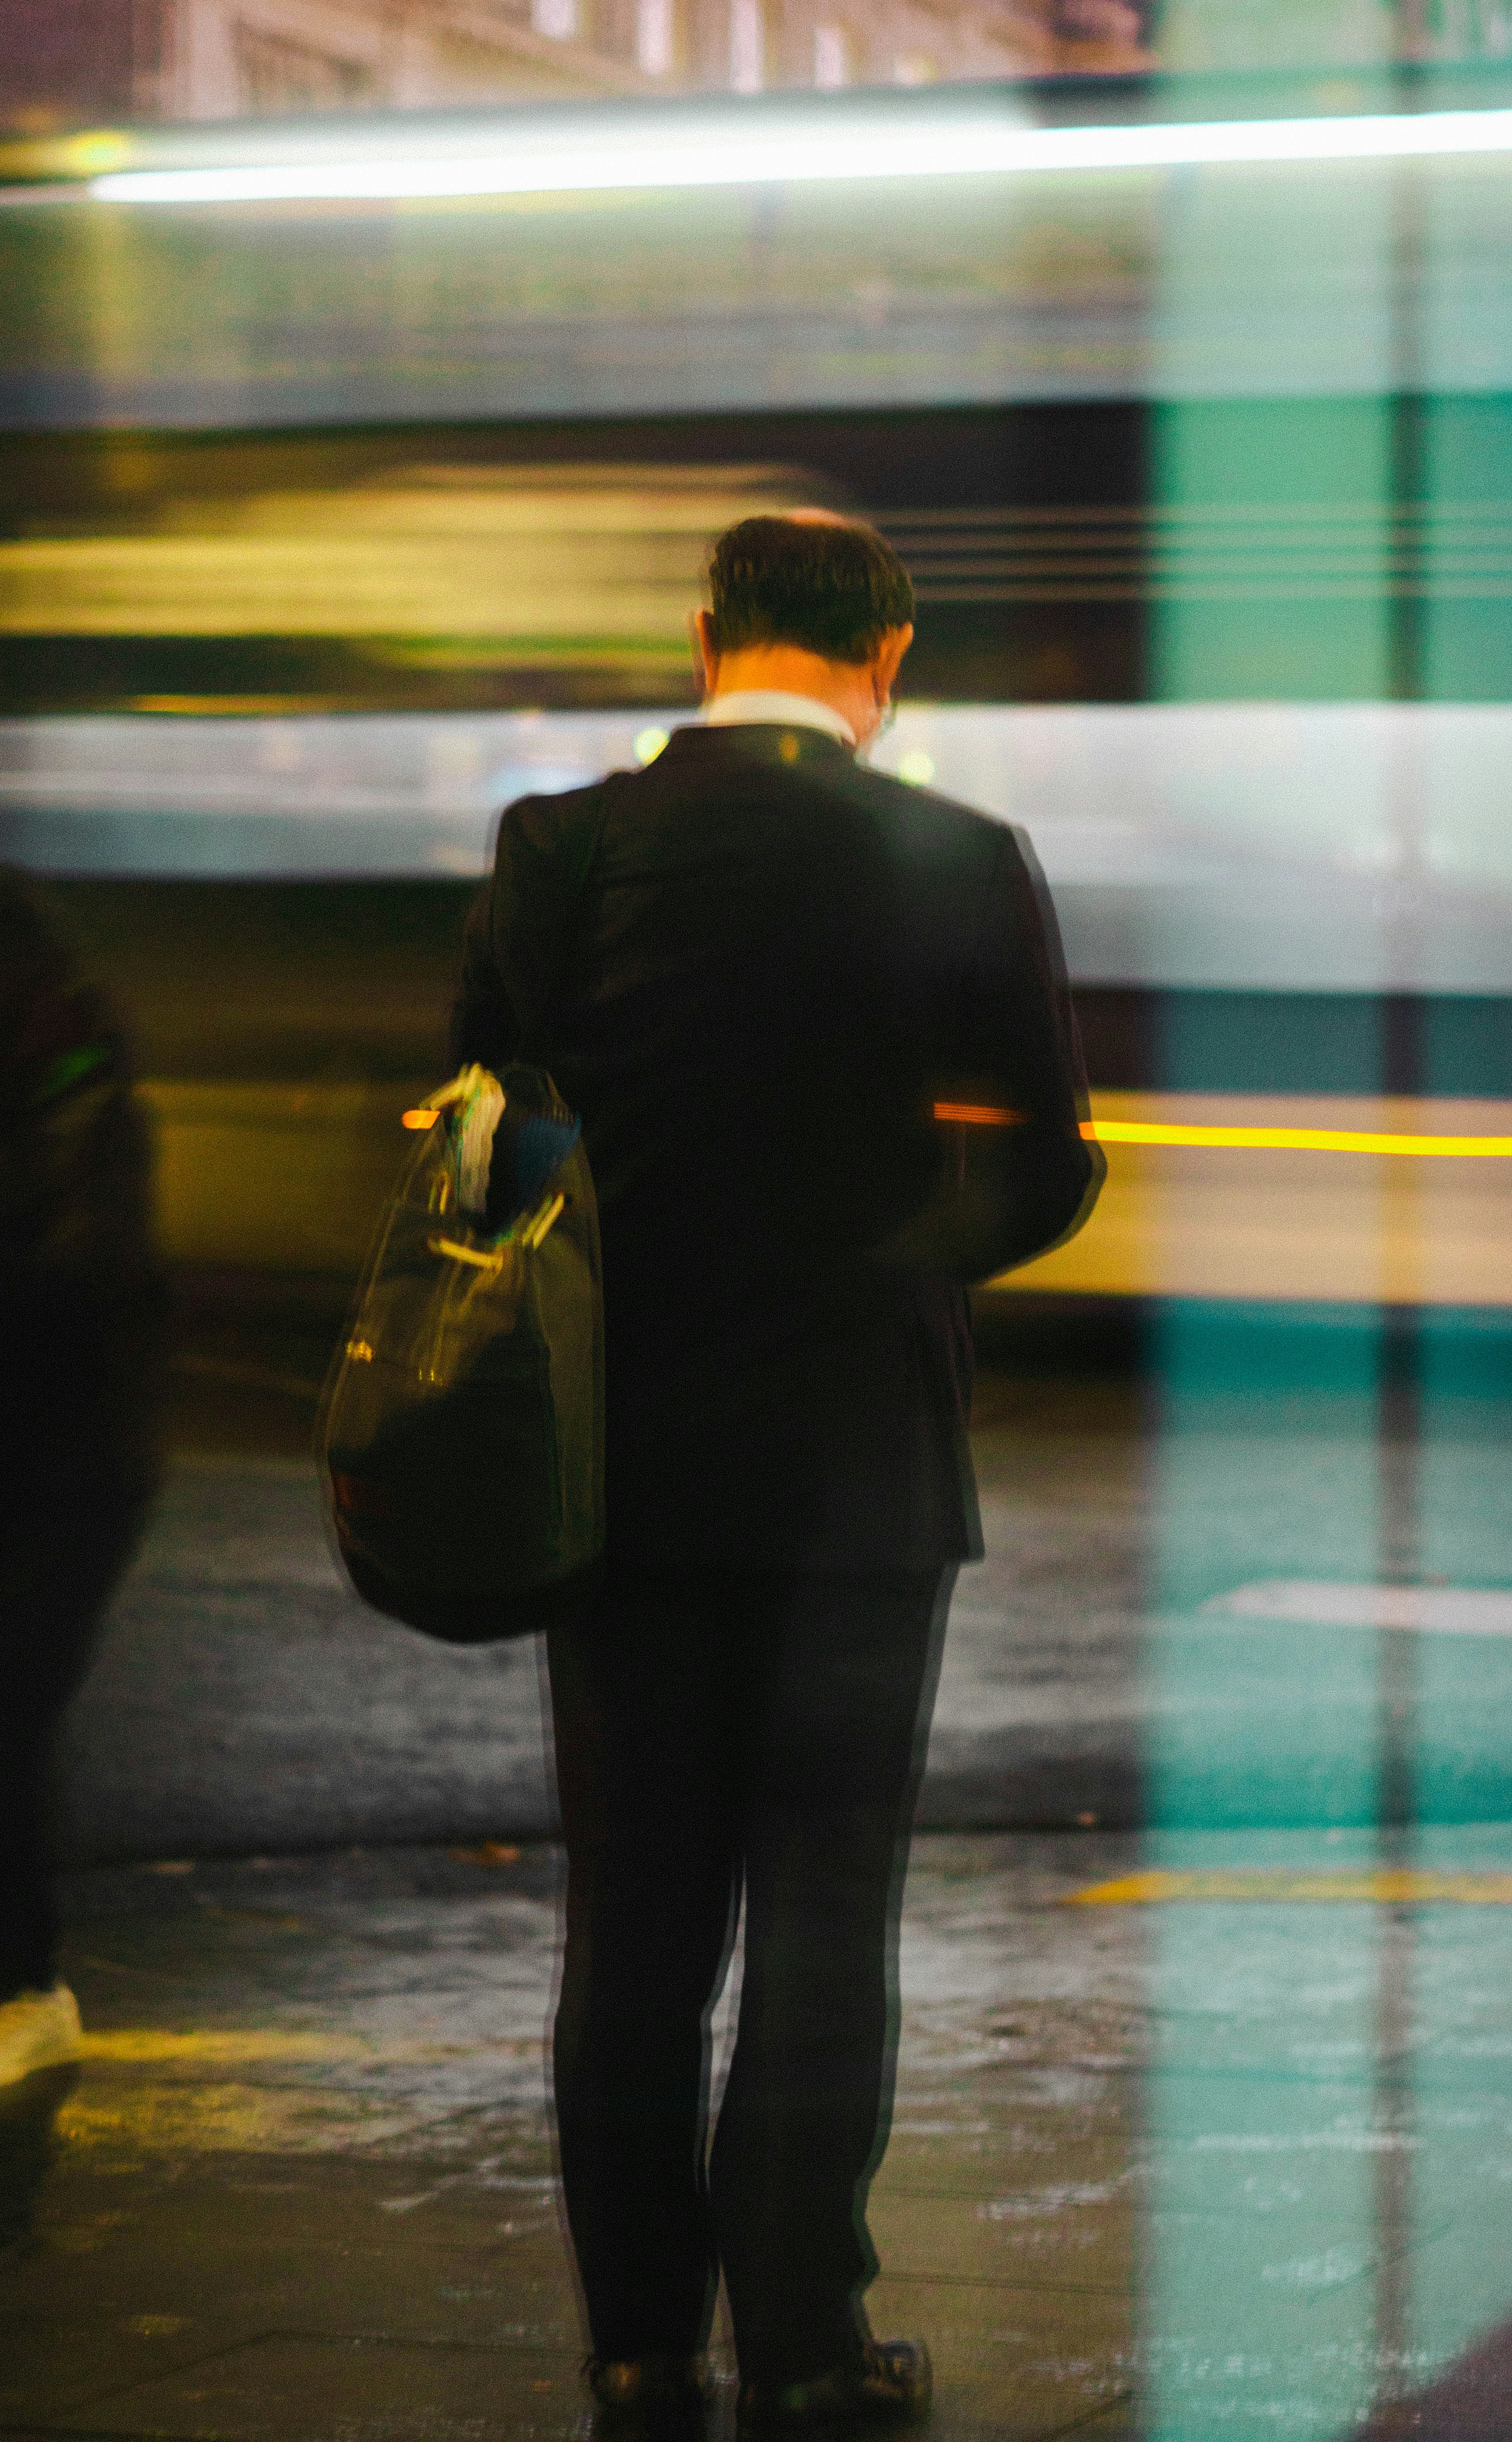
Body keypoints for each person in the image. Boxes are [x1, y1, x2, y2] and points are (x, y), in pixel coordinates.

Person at [450, 514, 1104, 2436]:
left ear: (700, 637)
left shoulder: (559, 850)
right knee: (826, 1912)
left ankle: (640, 2340)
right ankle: (809, 2337)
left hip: (615, 1463)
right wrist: (898, 1254)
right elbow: (1050, 1166)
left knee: (636, 1923)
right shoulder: (963, 860)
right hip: (858, 1474)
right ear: (884, 655)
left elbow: (488, 1141)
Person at [0, 867, 163, 2088]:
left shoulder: (54, 1043)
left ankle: (21, 1983)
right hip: (70, 1424)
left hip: (53, 1432)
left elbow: (66, 1255)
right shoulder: (59, 1016)